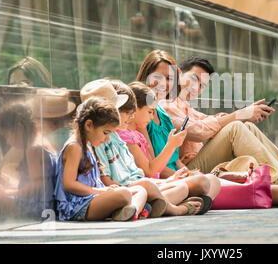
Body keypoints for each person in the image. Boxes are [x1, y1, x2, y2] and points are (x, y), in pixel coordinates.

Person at [160, 56, 278, 185]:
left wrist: (246, 114)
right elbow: (198, 132)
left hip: (199, 163)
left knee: (247, 126)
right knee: (235, 128)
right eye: (195, 79)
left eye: (202, 86)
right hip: (186, 170)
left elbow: (209, 120)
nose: (196, 88)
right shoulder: (166, 104)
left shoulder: (186, 107)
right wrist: (239, 114)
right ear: (179, 74)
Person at [82, 79, 204, 217]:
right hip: (127, 189)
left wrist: (169, 180)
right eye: (126, 112)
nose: (131, 117)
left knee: (180, 187)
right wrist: (171, 146)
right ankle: (171, 209)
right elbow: (147, 172)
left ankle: (145, 207)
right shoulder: (102, 141)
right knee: (146, 188)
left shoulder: (116, 137)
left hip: (136, 186)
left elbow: (137, 173)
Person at [135, 50, 221, 207]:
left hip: (175, 176)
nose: (164, 83)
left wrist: (189, 173)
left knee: (212, 180)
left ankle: (198, 202)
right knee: (203, 182)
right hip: (161, 178)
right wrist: (184, 176)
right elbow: (154, 168)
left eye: (169, 79)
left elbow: (175, 161)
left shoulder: (163, 115)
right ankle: (192, 202)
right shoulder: (140, 115)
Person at [53, 96, 148, 221]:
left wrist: (105, 191)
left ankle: (131, 211)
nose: (107, 139)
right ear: (89, 125)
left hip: (92, 199)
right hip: (78, 207)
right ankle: (131, 211)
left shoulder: (88, 145)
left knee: (140, 190)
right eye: (106, 132)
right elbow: (69, 184)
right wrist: (99, 191)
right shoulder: (74, 147)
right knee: (124, 194)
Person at [0, 102, 57, 219]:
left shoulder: (33, 149)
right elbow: (40, 181)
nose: (8, 142)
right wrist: (11, 185)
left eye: (7, 136)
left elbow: (36, 189)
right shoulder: (42, 141)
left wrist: (7, 193)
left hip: (38, 209)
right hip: (44, 204)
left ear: (20, 128)